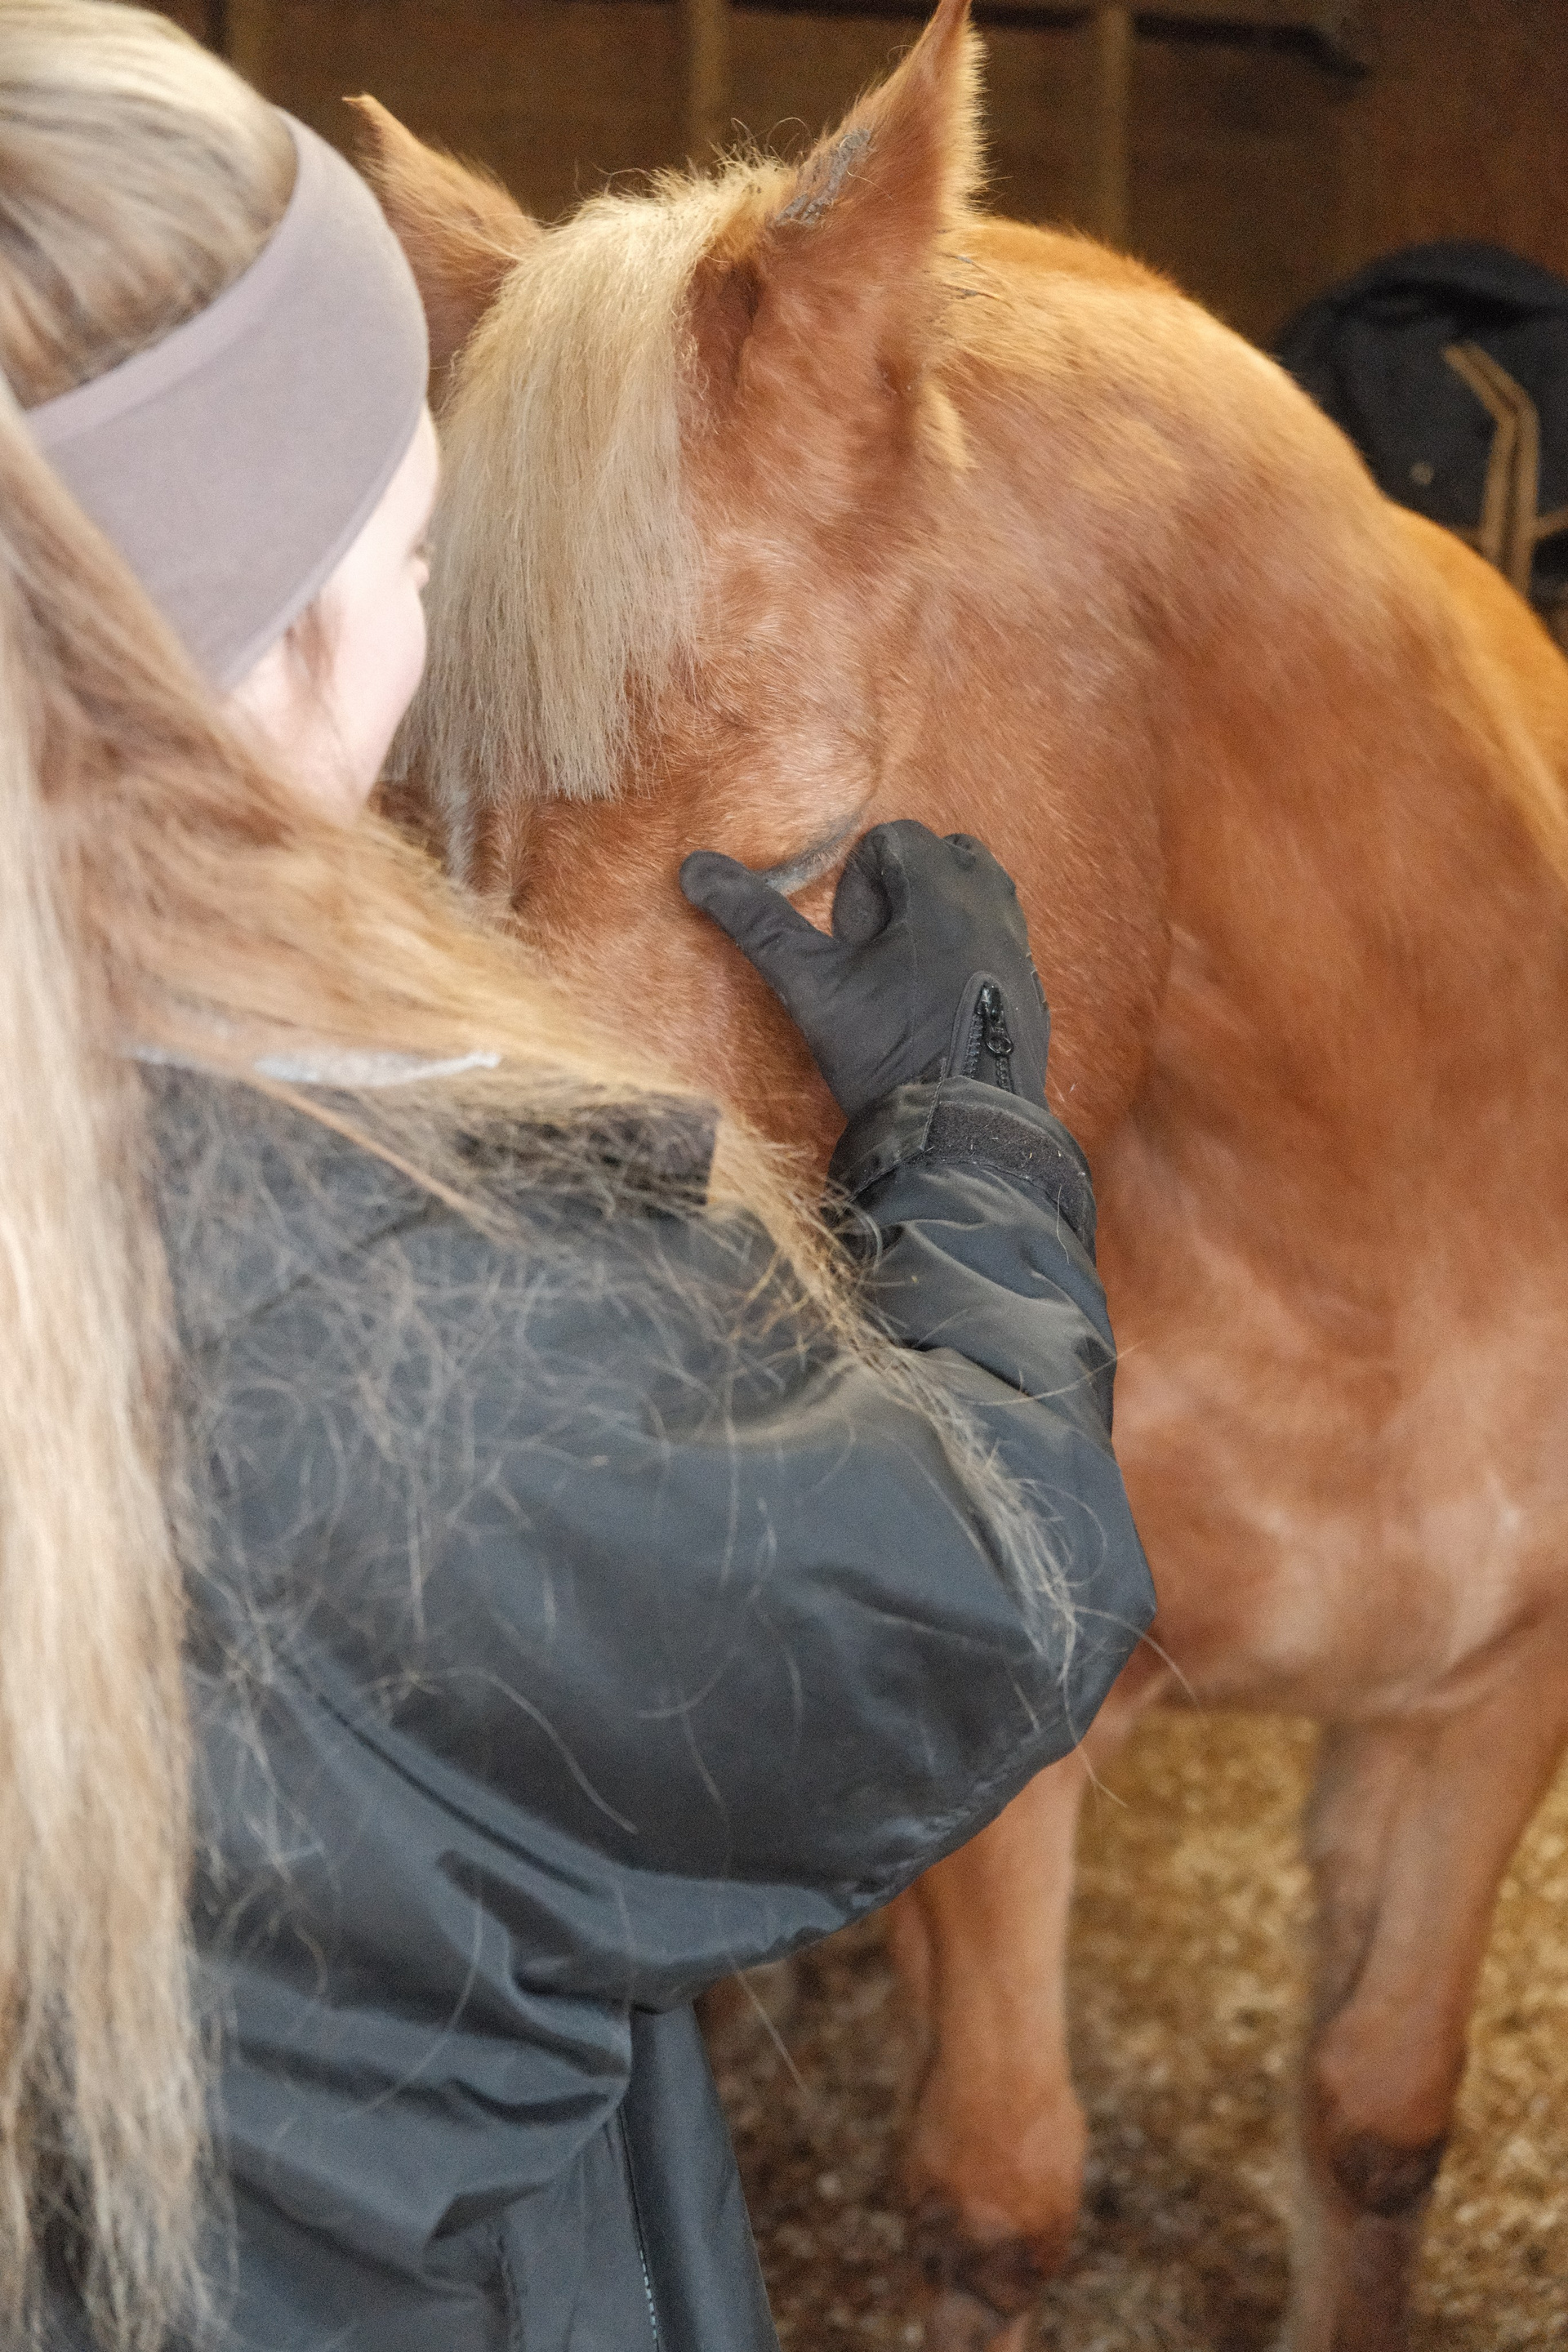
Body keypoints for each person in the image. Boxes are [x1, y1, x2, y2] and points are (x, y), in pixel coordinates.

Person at [2, 6, 1155, 2349]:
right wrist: (966, 1120)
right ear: (292, 642)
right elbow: (991, 1598)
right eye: (426, 552)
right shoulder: (398, 1315)